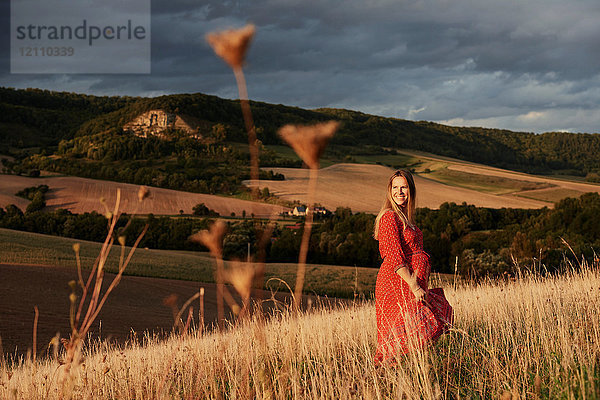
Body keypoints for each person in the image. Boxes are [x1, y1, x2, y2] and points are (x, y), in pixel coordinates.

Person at [373, 170, 453, 364]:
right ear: (389, 191)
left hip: (409, 283)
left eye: (404, 187)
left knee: (418, 336)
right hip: (397, 284)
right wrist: (414, 285)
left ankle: (416, 376)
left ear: (411, 190)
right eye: (395, 188)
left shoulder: (405, 218)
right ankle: (388, 381)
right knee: (400, 338)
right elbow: (393, 255)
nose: (399, 192)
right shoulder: (389, 217)